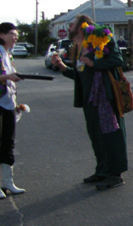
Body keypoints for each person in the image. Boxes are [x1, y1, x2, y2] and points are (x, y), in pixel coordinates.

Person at [51, 15, 128, 191]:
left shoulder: (101, 38)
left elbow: (117, 59)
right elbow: (80, 75)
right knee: (96, 136)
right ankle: (102, 170)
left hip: (105, 97)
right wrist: (62, 66)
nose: (68, 27)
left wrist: (94, 63)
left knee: (111, 136)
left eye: (71, 24)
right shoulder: (78, 47)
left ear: (81, 26)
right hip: (89, 99)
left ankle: (115, 174)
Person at [0, 23, 26, 199]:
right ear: (1, 35)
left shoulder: (8, 54)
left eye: (16, 35)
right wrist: (7, 77)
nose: (15, 37)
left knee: (8, 143)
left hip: (8, 103)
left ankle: (8, 182)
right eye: (12, 34)